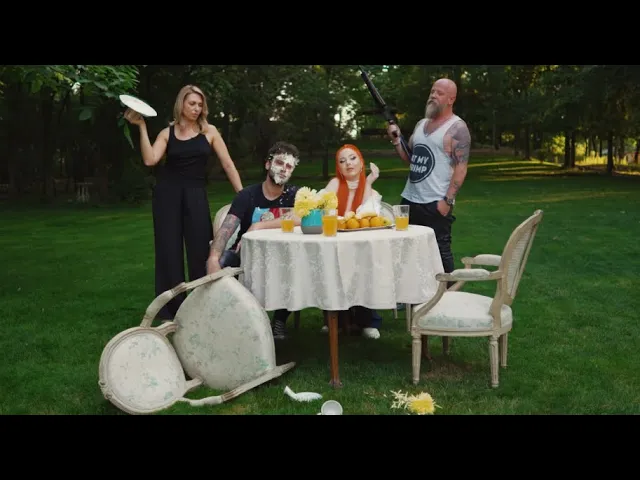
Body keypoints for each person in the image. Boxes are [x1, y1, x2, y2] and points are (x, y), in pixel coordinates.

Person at [124, 84, 244, 321]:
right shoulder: (167, 133)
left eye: (200, 104)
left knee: (201, 250)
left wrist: (243, 196)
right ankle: (172, 310)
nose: (196, 108)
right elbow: (150, 159)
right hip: (167, 196)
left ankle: (204, 304)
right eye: (192, 104)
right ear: (181, 104)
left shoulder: (210, 131)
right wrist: (142, 127)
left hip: (196, 195)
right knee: (169, 251)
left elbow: (228, 163)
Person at [206, 141, 301, 340]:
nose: (283, 169)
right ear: (268, 164)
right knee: (221, 261)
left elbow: (301, 218)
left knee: (297, 268)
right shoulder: (247, 195)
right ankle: (228, 319)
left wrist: (258, 226)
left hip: (282, 257)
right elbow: (227, 229)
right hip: (245, 255)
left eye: (289, 166)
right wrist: (213, 258)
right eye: (279, 162)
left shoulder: (295, 195)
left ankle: (279, 321)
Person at [386, 78, 470, 281]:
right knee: (406, 250)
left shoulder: (457, 128)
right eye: (432, 91)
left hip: (435, 202)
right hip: (410, 199)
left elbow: (461, 168)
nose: (433, 95)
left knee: (440, 250)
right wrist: (397, 140)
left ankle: (448, 293)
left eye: (439, 93)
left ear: (451, 99)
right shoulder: (421, 124)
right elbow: (410, 158)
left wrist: (447, 201)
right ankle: (411, 293)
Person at [320, 144, 384, 339]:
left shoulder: (370, 190)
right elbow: (321, 207)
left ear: (361, 162)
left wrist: (369, 181)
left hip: (361, 246)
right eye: (342, 161)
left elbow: (365, 213)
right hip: (334, 244)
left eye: (352, 158)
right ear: (338, 168)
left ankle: (367, 320)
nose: (348, 163)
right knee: (332, 269)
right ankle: (336, 320)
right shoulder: (334, 184)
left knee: (363, 268)